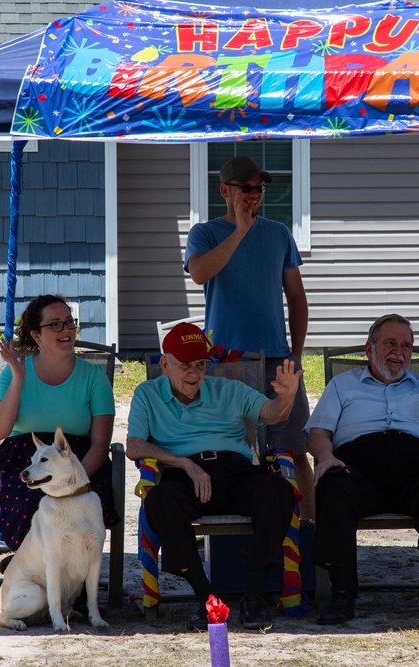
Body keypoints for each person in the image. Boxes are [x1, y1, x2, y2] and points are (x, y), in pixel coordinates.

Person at [125, 321, 303, 632]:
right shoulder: (147, 394)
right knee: (161, 501)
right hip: (184, 475)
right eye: (184, 366)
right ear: (165, 364)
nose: (194, 373)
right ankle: (205, 597)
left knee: (277, 491)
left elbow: (273, 414)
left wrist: (286, 397)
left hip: (235, 472)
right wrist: (185, 464)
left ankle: (254, 596)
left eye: (200, 364)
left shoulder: (229, 389)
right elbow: (134, 445)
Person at [305, 314, 419, 625]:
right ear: (369, 348)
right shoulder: (342, 385)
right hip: (357, 471)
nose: (399, 351)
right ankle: (342, 594)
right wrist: (325, 456)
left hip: (417, 471)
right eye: (390, 342)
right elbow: (317, 433)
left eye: (406, 345)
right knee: (332, 486)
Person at [184, 155, 314, 520]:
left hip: (277, 358)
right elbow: (198, 273)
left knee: (294, 446)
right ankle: (241, 530)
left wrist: (296, 354)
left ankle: (308, 533)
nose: (254, 195)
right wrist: (240, 231)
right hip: (227, 364)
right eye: (246, 188)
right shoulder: (206, 233)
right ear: (225, 190)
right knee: (234, 448)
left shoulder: (278, 233)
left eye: (259, 188)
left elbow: (297, 297)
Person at [0, 295, 119, 553]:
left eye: (69, 322)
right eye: (55, 324)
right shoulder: (13, 373)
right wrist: (18, 379)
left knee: (76, 506)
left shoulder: (94, 377)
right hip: (24, 461)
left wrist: (73, 480)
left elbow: (101, 444)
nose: (67, 330)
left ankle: (63, 579)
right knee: (29, 500)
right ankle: (34, 571)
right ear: (36, 335)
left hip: (79, 463)